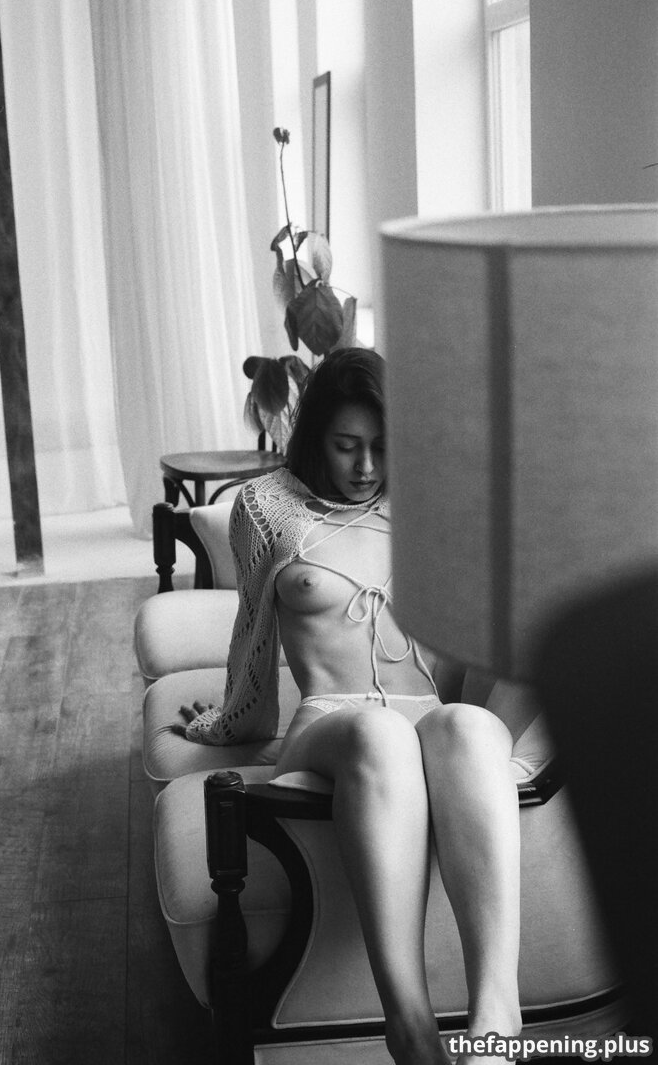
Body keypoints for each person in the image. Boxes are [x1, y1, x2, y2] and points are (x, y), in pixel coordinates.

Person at [175, 347, 522, 1065]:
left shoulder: (429, 506)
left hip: (423, 710)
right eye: (346, 445)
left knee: (470, 724)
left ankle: (497, 1018)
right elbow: (252, 635)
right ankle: (410, 1024)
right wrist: (224, 720)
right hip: (333, 721)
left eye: (383, 447)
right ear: (316, 438)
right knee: (379, 732)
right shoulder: (266, 507)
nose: (366, 465)